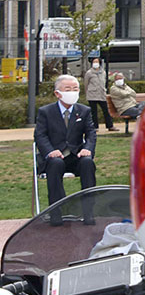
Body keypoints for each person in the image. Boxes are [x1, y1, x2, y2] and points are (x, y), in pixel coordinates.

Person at [34, 75, 97, 220]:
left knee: (88, 163)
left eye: (75, 89)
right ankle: (57, 213)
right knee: (55, 164)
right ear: (57, 93)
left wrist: (87, 149)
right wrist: (50, 151)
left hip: (76, 156)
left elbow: (91, 134)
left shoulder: (84, 111)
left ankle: (88, 212)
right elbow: (40, 135)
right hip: (55, 157)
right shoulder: (46, 112)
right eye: (68, 89)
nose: (72, 92)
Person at [83, 58, 117, 132]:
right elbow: (86, 84)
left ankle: (110, 126)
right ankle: (95, 127)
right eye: (94, 62)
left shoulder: (103, 72)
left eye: (97, 62)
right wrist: (87, 93)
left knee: (105, 111)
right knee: (94, 112)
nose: (95, 63)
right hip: (92, 94)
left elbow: (104, 82)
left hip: (101, 94)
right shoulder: (89, 73)